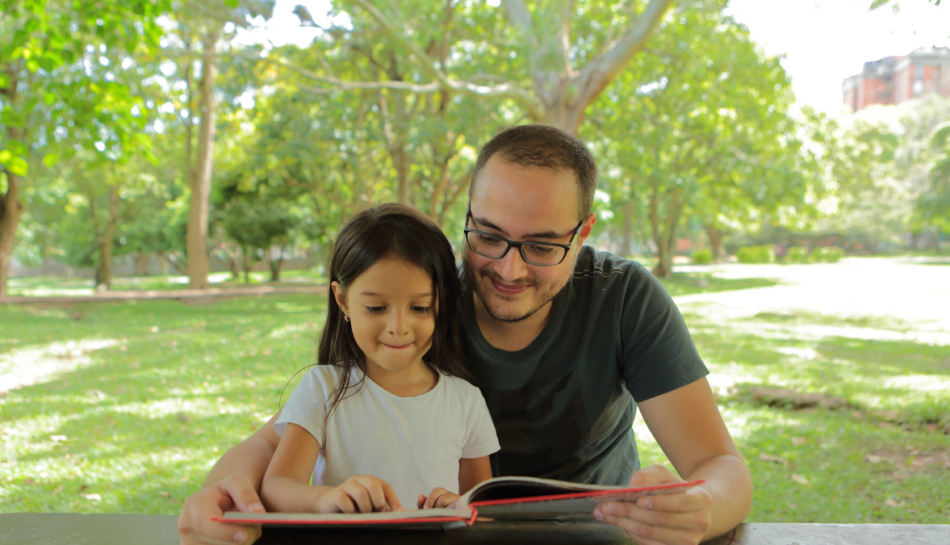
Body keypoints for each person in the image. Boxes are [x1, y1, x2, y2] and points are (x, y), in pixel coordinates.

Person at [178, 126, 752, 545]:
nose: (508, 268)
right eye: (489, 235)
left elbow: (719, 465)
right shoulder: (425, 306)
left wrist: (701, 505)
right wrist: (220, 494)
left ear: (583, 234)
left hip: (591, 535)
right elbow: (274, 442)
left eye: (543, 245)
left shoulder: (626, 299)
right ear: (469, 214)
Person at [260, 204, 499, 516]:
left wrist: (458, 506)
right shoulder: (323, 389)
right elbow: (277, 486)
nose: (398, 328)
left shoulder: (465, 401)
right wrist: (326, 499)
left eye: (420, 308)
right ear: (342, 300)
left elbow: (483, 508)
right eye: (375, 308)